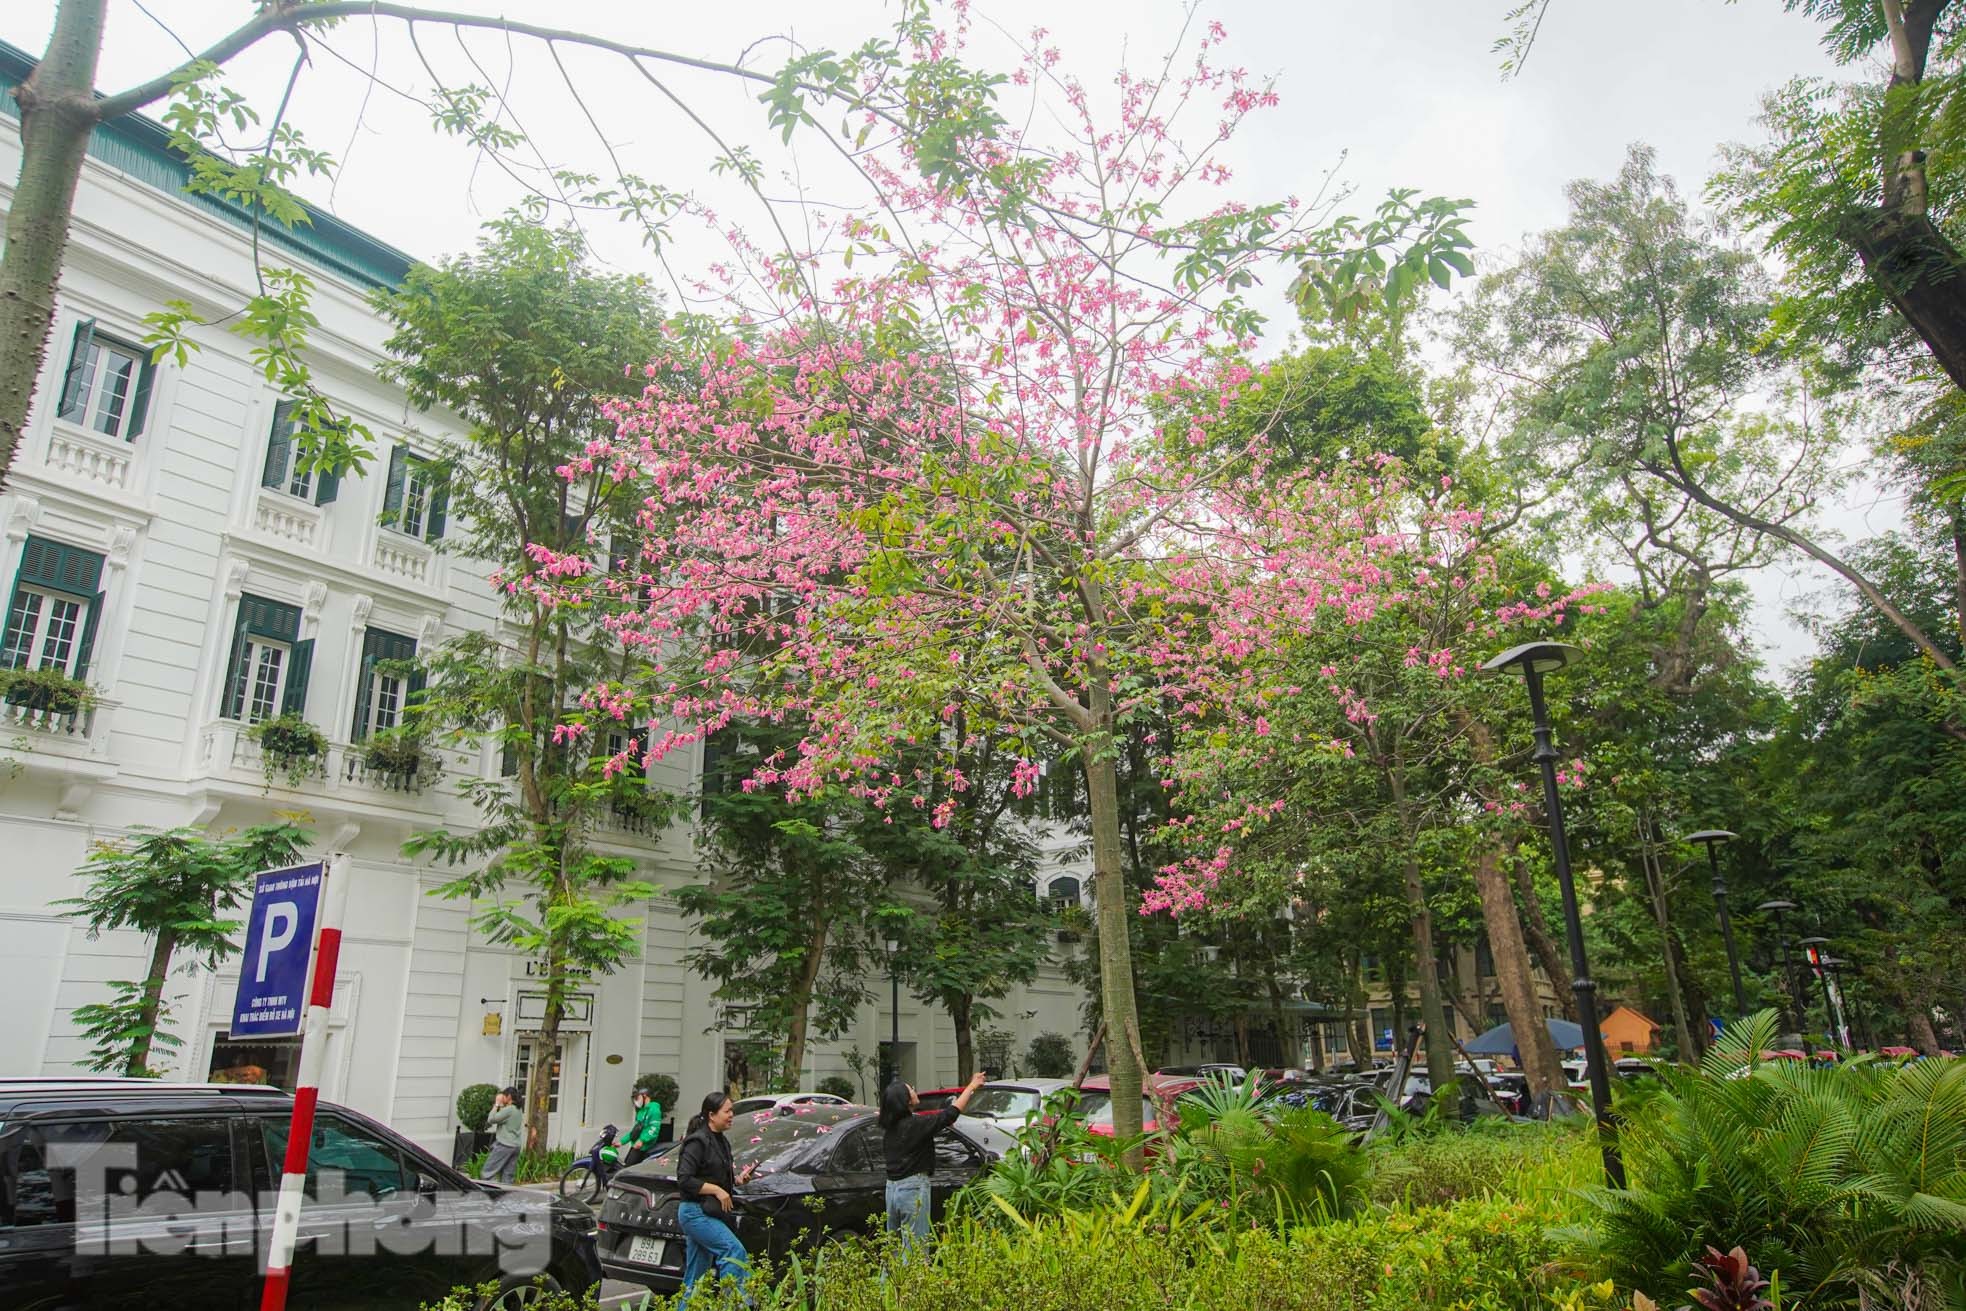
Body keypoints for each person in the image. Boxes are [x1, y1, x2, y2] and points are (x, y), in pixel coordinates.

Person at [879, 1069, 986, 1251]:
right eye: (910, 1089)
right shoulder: (916, 1125)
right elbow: (950, 1114)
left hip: (892, 1189)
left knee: (894, 1250)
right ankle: (914, 1280)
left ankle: (888, 1280)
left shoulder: (890, 1129)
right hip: (913, 1188)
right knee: (916, 1250)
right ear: (905, 1100)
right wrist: (972, 1086)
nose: (914, 1090)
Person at [675, 1089, 755, 1305]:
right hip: (695, 1213)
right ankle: (733, 1305)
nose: (731, 1116)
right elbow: (684, 1179)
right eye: (727, 1111)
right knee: (733, 1251)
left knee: (696, 1277)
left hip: (707, 1212)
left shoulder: (721, 1141)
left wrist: (737, 1180)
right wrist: (716, 1190)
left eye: (732, 1111)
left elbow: (717, 1177)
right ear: (711, 1114)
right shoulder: (697, 1142)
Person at [480, 1086, 522, 1184]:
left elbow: (491, 1119)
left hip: (504, 1145)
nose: (502, 1097)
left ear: (509, 1097)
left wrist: (497, 1104)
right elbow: (503, 1116)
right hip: (515, 1146)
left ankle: (491, 1195)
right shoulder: (517, 1109)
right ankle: (506, 1198)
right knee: (508, 1177)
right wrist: (502, 1104)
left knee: (487, 1173)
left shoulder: (509, 1110)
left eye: (504, 1095)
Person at [624, 1085, 663, 1167]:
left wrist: (642, 1140)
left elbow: (654, 1129)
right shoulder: (641, 1112)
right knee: (626, 1166)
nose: (635, 1101)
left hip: (644, 1146)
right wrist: (621, 1142)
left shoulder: (654, 1110)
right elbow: (636, 1130)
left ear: (644, 1096)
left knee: (629, 1169)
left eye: (637, 1097)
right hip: (636, 1145)